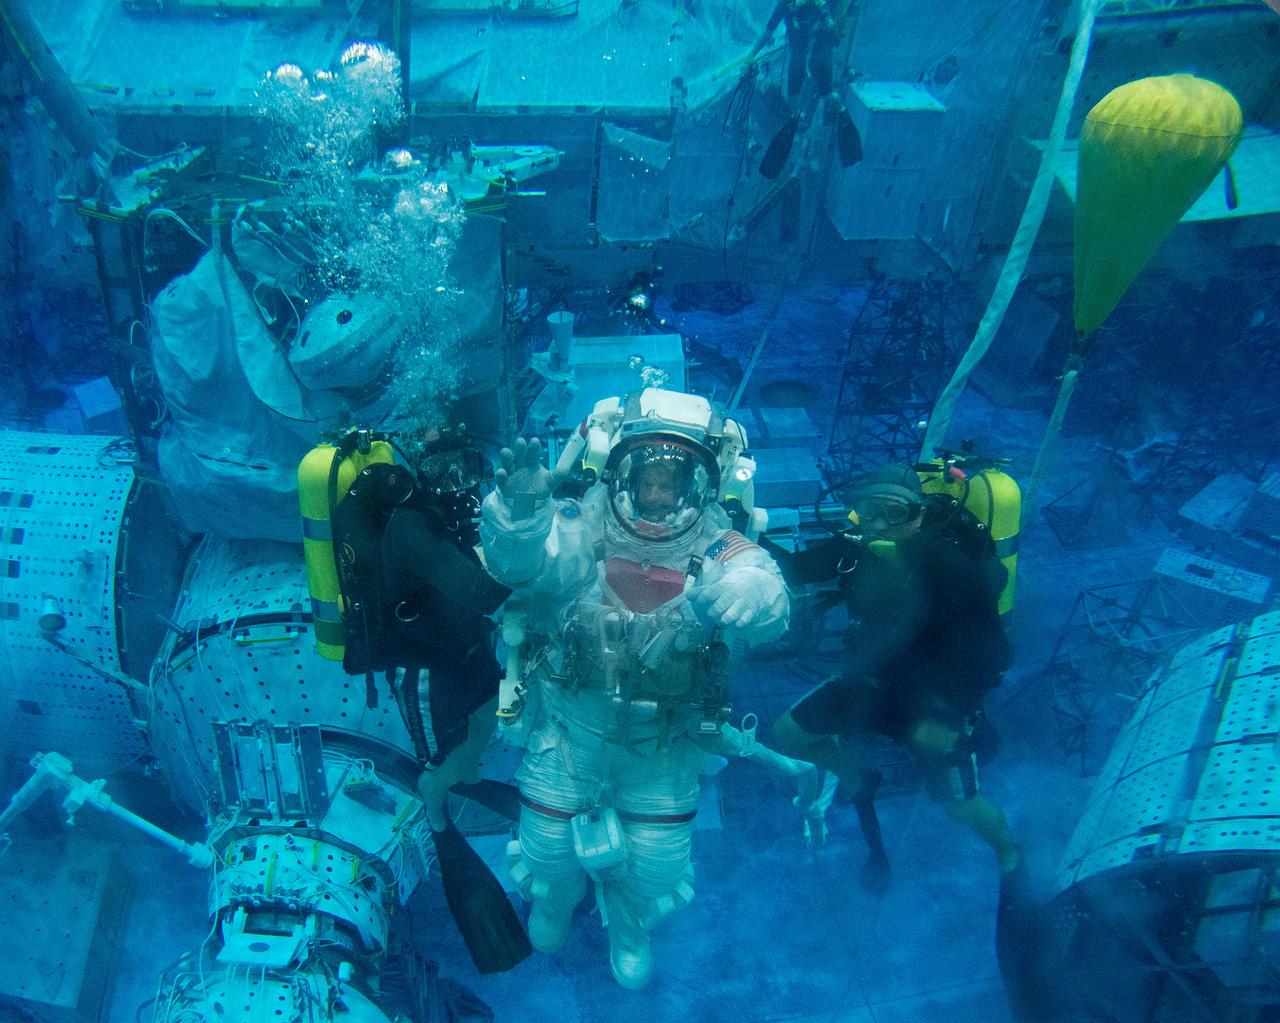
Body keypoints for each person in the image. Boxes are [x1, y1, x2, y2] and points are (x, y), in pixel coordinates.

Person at [479, 389, 789, 989]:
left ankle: (629, 924)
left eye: (671, 484)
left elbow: (761, 577)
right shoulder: (582, 525)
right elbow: (523, 565)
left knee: (655, 865)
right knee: (546, 850)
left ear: (699, 486)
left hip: (661, 745)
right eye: (646, 480)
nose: (655, 496)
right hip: (570, 733)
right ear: (620, 474)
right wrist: (517, 515)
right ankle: (552, 903)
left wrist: (756, 594)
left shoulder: (716, 541)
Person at [766, 463, 1018, 891]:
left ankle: (1009, 855)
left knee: (959, 805)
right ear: (857, 512)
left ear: (918, 515)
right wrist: (729, 538)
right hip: (872, 683)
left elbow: (993, 653)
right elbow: (795, 568)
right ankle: (856, 776)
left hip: (935, 702)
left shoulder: (951, 566)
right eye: (869, 510)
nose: (881, 524)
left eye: (895, 513)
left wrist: (951, 715)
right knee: (788, 733)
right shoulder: (855, 550)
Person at [332, 433, 531, 973]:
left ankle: (461, 783)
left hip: (464, 655)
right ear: (421, 477)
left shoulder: (436, 516)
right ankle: (439, 813)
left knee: (482, 733)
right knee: (444, 764)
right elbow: (480, 591)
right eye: (449, 474)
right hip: (429, 678)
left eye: (468, 470)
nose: (462, 485)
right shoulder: (413, 528)